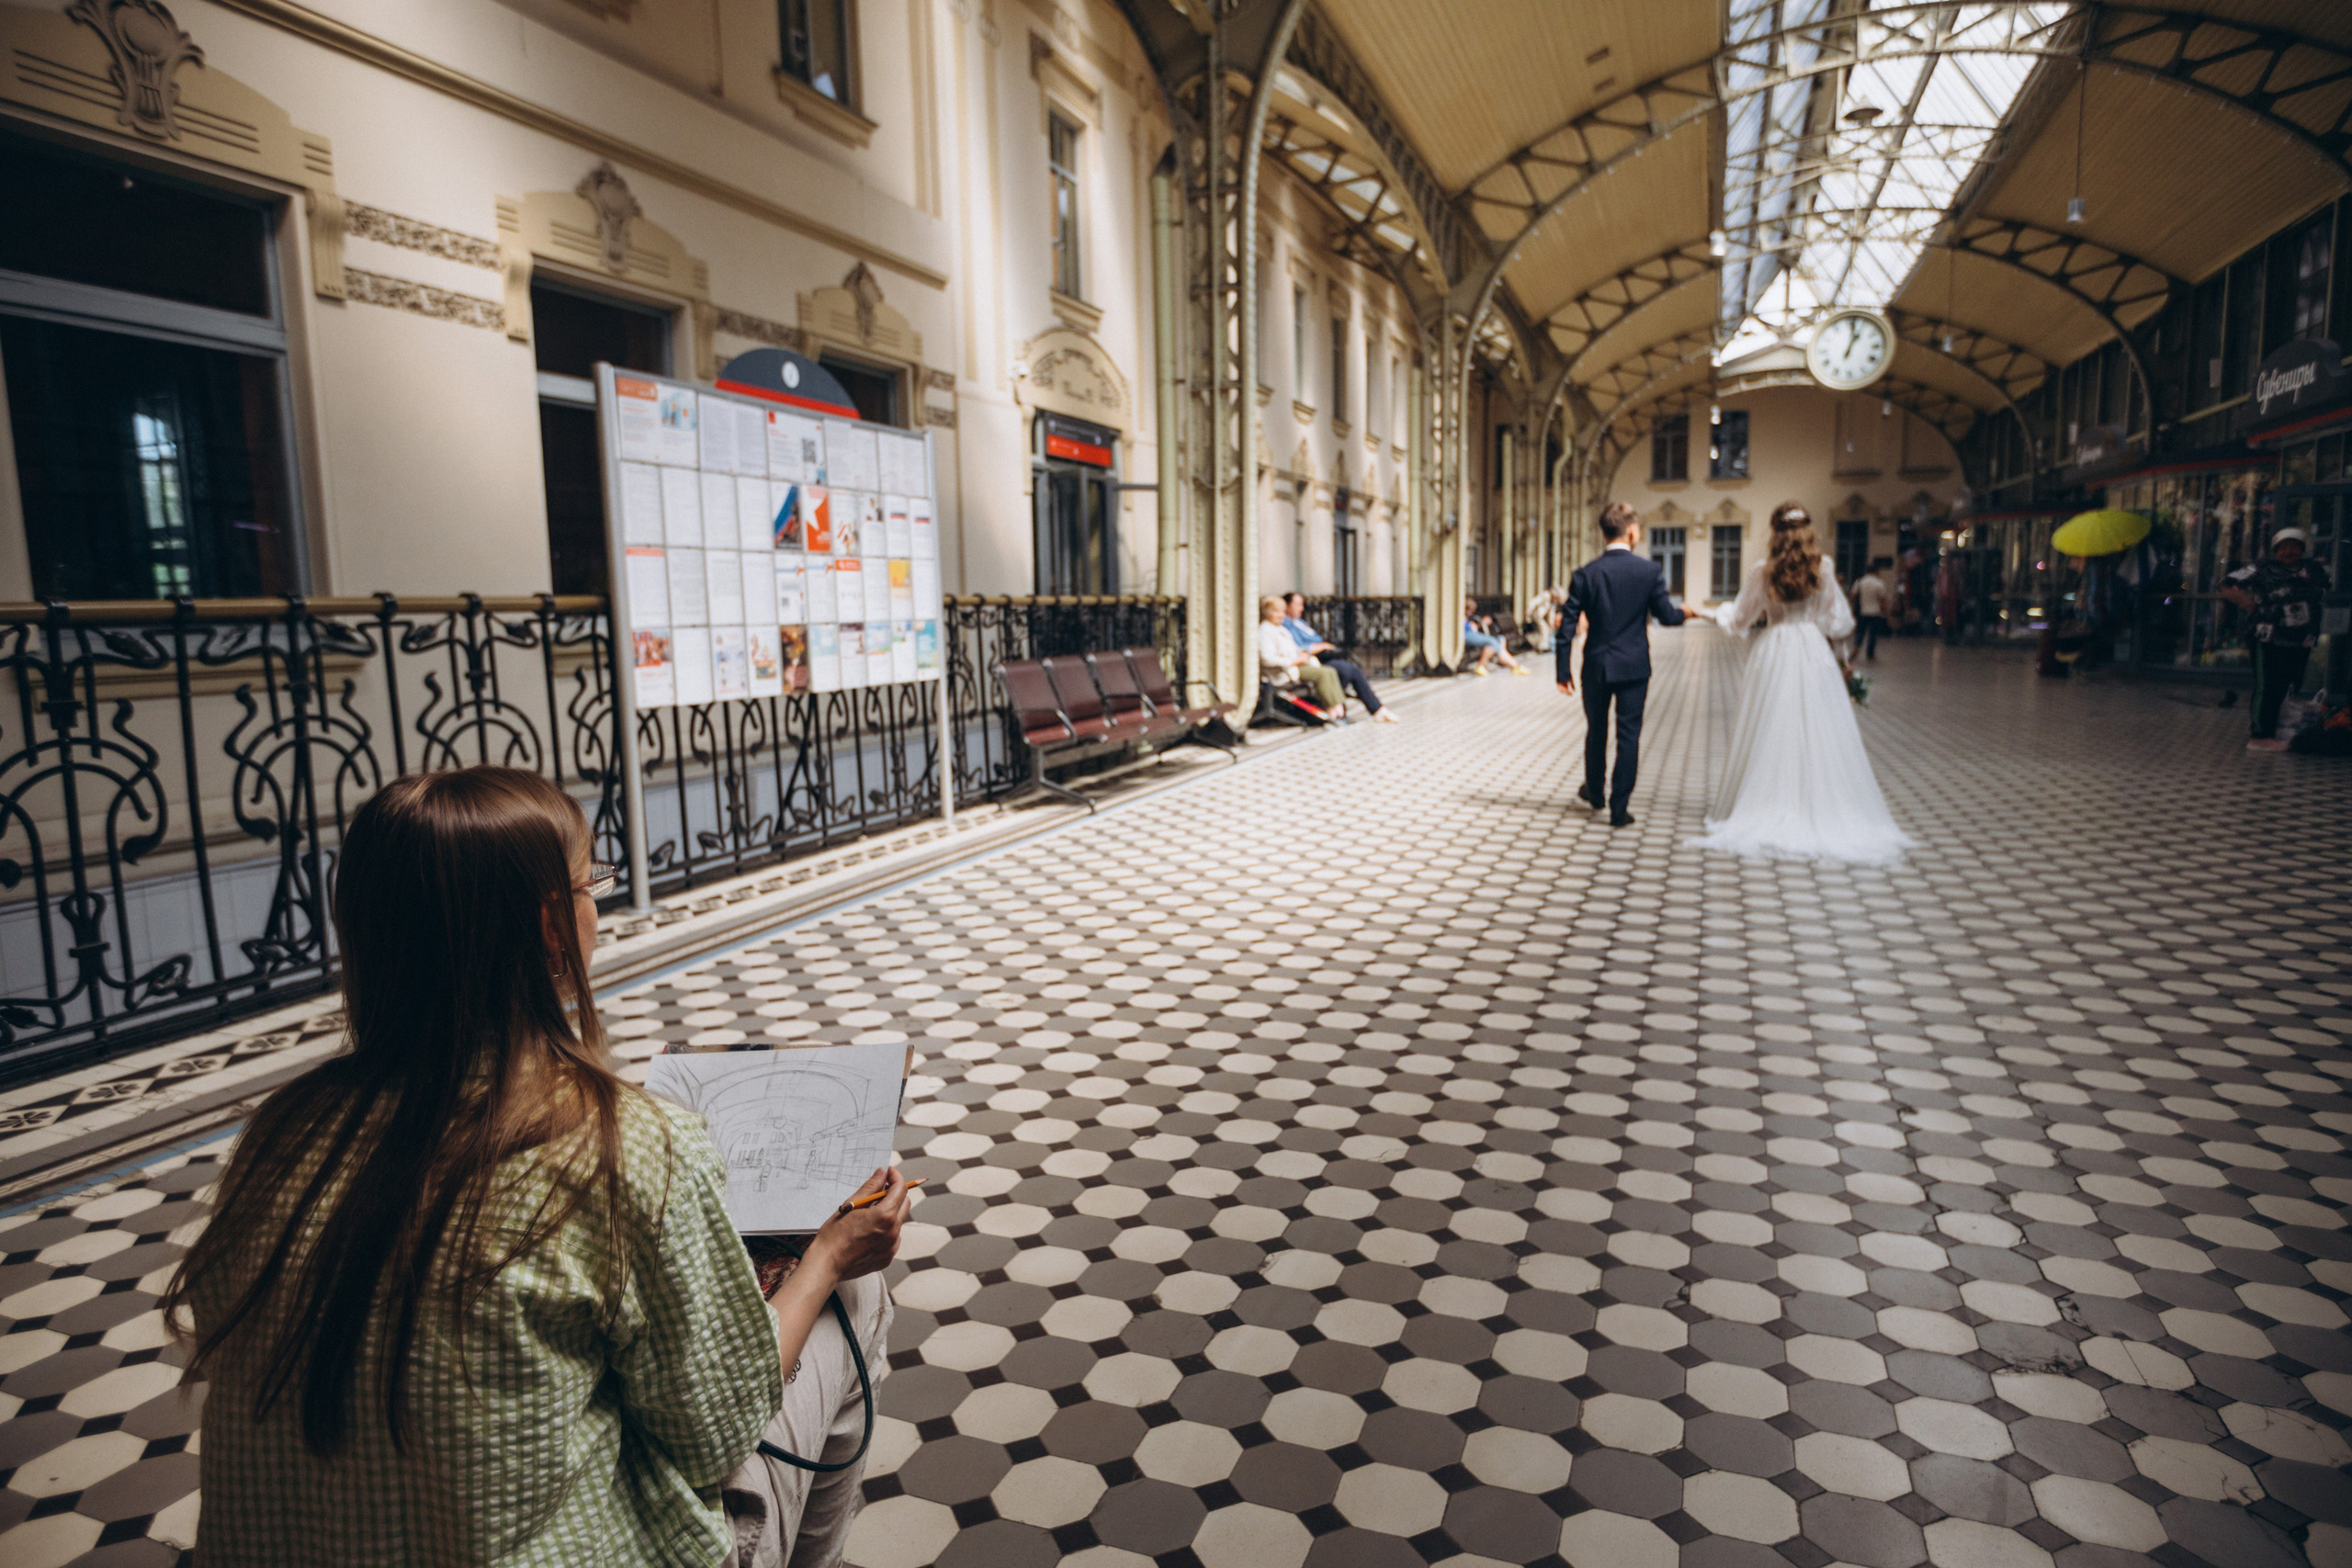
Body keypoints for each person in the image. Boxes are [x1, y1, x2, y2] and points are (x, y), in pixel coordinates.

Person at [167, 766, 912, 1567]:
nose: (600, 902)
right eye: (593, 883)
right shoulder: (620, 1144)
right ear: (555, 927)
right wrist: (830, 1253)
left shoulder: (281, 1136)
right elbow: (715, 1432)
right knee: (852, 1293)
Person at [1690, 502, 1914, 864]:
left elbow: (1741, 620)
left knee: (1772, 725)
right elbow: (1839, 622)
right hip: (1812, 651)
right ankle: (1817, 800)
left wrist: (1708, 612)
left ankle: (1768, 799)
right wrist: (1843, 661)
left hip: (1775, 650)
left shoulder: (1763, 572)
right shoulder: (1823, 568)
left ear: (1774, 533)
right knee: (1819, 727)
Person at [1556, 502, 1706, 826]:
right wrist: (1686, 613)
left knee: (1596, 730)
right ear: (1633, 531)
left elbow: (1566, 628)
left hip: (1596, 665)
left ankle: (1595, 791)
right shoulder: (1649, 572)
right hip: (1633, 666)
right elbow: (1667, 617)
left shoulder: (1585, 574)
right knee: (1629, 734)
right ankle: (1619, 808)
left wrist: (1562, 672)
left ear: (1603, 533)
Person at [2219, 525, 2330, 752]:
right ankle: (2260, 736)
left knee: (2290, 685)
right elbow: (2227, 584)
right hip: (2268, 637)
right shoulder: (2263, 568)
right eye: (2283, 547)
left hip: (2301, 639)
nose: (2288, 551)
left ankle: (2279, 730)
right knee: (2268, 686)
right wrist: (2245, 602)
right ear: (2275, 550)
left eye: (2294, 546)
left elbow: (2329, 588)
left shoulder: (2313, 569)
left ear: (2302, 549)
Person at [1283, 592, 1399, 722]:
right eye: (1298, 605)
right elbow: (1299, 647)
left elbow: (1314, 639)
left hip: (1321, 655)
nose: (1302, 608)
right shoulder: (1286, 626)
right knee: (1348, 671)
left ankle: (1339, 707)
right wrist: (1319, 647)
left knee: (1348, 671)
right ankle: (1368, 709)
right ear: (1287, 606)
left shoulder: (1300, 622)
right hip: (1311, 659)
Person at [1259, 594, 1345, 717]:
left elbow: (1293, 648)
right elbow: (1267, 659)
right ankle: (1332, 710)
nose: (1281, 615)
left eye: (1282, 612)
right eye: (1277, 612)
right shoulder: (1265, 631)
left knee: (1330, 671)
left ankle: (1338, 708)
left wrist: (1303, 653)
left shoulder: (1280, 629)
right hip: (1282, 671)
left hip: (1294, 666)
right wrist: (1294, 661)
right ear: (1268, 613)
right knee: (1323, 674)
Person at [1463, 598, 1528, 675]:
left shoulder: (1471, 617)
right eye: (1470, 609)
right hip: (1467, 634)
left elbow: (1476, 623)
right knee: (1493, 641)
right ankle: (1515, 666)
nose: (1471, 612)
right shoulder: (1461, 616)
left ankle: (1481, 666)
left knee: (1492, 645)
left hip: (1472, 633)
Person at [1853, 557, 1893, 660]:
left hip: (1863, 611)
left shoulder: (1860, 581)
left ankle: (1857, 645)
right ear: (1876, 571)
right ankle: (1870, 653)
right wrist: (1887, 613)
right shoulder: (1879, 583)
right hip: (1875, 612)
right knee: (1873, 634)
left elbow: (1853, 594)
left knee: (1860, 631)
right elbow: (1883, 600)